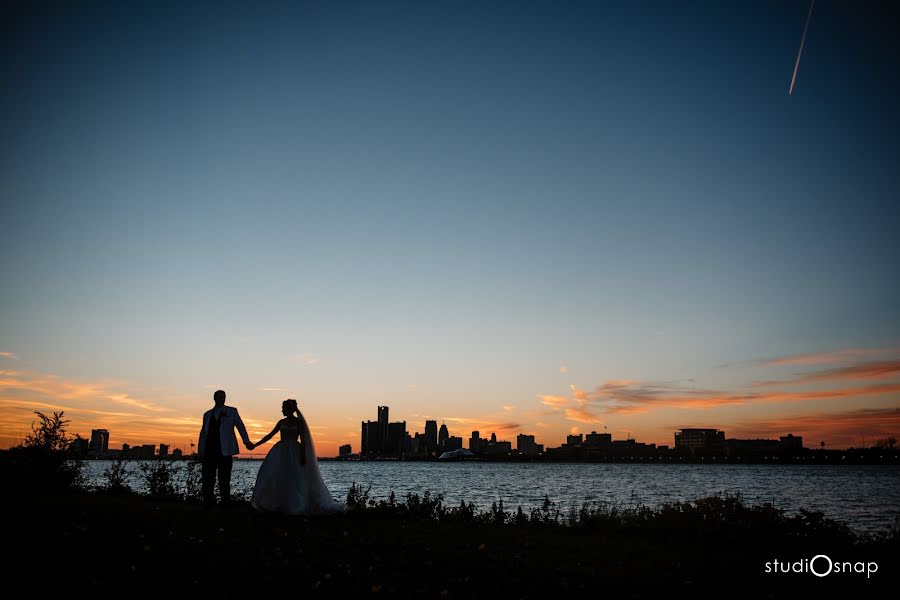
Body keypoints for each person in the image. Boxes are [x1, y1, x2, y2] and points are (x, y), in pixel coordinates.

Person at [250, 399, 345, 515]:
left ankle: (296, 503)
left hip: (295, 451)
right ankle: (277, 502)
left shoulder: (299, 423)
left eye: (284, 408)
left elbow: (304, 440)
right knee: (275, 475)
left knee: (295, 477)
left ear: (290, 409)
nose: (282, 410)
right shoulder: (281, 422)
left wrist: (303, 455)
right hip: (281, 452)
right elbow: (269, 436)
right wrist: (254, 445)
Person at [198, 389, 253, 507]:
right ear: (214, 398)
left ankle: (225, 503)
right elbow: (203, 434)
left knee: (224, 480)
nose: (222, 399)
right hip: (209, 452)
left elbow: (240, 426)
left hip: (225, 452)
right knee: (208, 479)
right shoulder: (207, 415)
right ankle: (209, 503)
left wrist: (246, 441)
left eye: (223, 397)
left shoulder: (232, 412)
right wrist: (200, 451)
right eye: (219, 397)